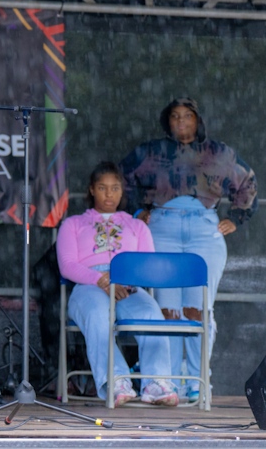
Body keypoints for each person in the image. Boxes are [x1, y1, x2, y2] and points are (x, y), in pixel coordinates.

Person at [119, 97, 257, 404]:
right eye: (175, 117)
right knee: (166, 310)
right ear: (167, 122)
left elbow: (247, 182)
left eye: (187, 116)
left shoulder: (218, 152)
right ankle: (166, 383)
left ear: (198, 120)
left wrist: (236, 218)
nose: (181, 122)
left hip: (204, 230)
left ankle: (197, 380)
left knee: (199, 309)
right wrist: (137, 211)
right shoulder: (151, 152)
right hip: (163, 227)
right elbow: (121, 178)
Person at [57, 161, 178, 406]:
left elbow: (148, 265)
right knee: (98, 314)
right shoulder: (73, 224)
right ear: (91, 190)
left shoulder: (137, 226)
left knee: (151, 314)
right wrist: (102, 280)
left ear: (122, 191)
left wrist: (123, 282)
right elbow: (68, 265)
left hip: (129, 287)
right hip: (89, 285)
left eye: (114, 188)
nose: (109, 194)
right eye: (102, 188)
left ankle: (156, 382)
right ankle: (117, 380)